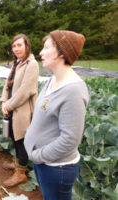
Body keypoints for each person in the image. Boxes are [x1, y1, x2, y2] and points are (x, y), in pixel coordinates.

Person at [24, 30, 89, 200]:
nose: (40, 52)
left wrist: (39, 155)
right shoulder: (52, 80)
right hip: (44, 164)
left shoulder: (73, 91)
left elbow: (69, 140)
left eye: (46, 48)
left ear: (61, 53)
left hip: (56, 168)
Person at [0, 34, 39, 187]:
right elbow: (6, 85)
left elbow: (26, 91)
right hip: (11, 108)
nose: (16, 48)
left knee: (21, 140)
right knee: (14, 138)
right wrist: (3, 101)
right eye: (14, 46)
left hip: (22, 110)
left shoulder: (32, 64)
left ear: (27, 46)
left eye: (19, 45)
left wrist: (8, 105)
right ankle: (18, 163)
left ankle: (21, 173)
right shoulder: (17, 63)